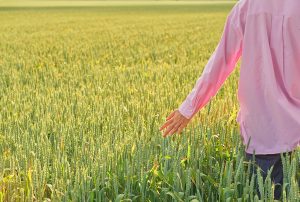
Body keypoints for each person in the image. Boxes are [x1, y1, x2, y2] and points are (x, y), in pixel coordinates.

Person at [159, 0, 300, 200]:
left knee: (268, 195)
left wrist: (189, 107)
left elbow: (221, 62)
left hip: (263, 127)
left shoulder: (247, 7)